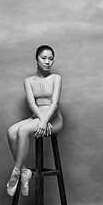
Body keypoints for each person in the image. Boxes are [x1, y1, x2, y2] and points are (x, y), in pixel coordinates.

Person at [7, 45, 63, 197]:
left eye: (50, 59)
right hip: (37, 116)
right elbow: (31, 104)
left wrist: (45, 121)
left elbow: (55, 103)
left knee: (23, 130)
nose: (47, 62)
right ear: (36, 59)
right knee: (12, 131)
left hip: (53, 119)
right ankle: (24, 170)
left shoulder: (56, 78)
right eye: (43, 58)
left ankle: (16, 173)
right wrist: (40, 119)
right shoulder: (28, 81)